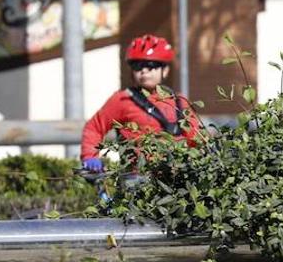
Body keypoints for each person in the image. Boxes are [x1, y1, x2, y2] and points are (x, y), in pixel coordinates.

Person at [81, 34, 200, 176]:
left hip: (177, 177)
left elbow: (196, 137)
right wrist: (90, 156)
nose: (144, 70)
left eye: (151, 65)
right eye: (137, 66)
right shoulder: (122, 100)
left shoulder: (179, 101)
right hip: (137, 179)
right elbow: (94, 127)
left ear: (165, 70)